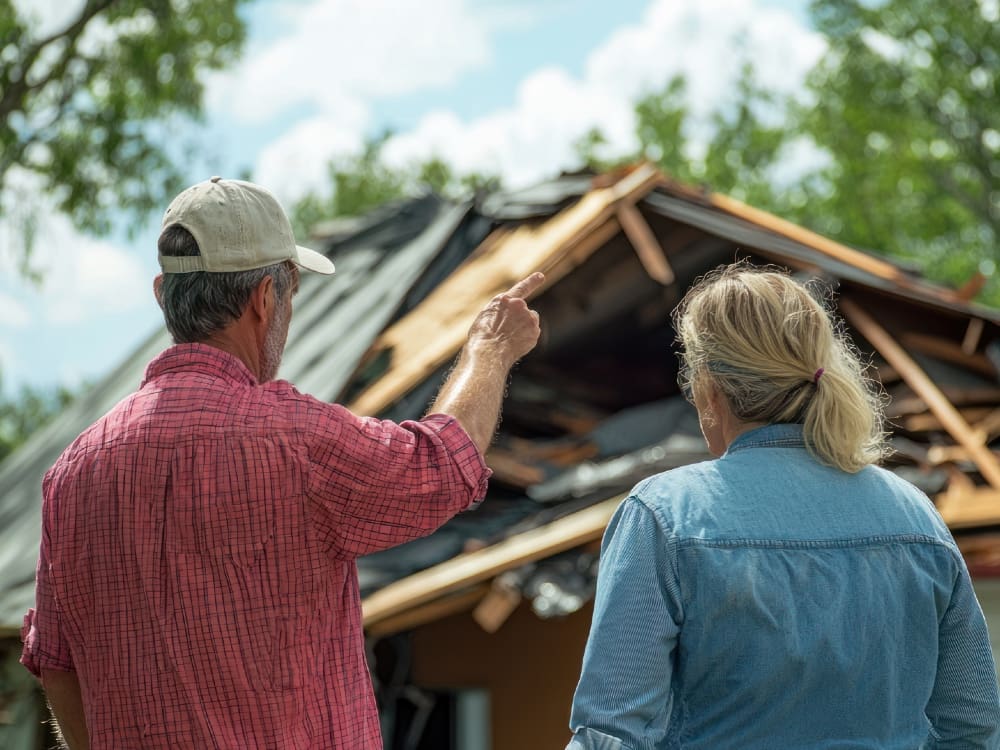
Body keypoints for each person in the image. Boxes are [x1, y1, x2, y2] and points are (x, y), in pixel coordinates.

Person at [20, 176, 543, 749]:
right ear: (265, 300)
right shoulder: (295, 440)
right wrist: (490, 350)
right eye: (291, 294)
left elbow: (57, 664)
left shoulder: (72, 475)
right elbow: (441, 463)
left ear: (161, 293)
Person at [567, 264, 1000, 749]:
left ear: (708, 388)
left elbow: (611, 735)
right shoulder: (917, 516)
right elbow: (973, 727)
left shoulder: (664, 516)